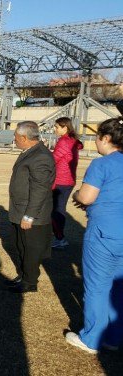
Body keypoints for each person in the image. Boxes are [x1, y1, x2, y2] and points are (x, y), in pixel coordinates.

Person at [65, 117, 123, 354]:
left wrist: (79, 195)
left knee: (98, 286)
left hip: (104, 233)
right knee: (118, 287)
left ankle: (92, 338)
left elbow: (87, 196)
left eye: (98, 136)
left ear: (106, 138)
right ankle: (114, 336)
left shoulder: (102, 164)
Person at [6, 121, 56, 293]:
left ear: (24, 137)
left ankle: (29, 282)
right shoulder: (30, 152)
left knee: (31, 249)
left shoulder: (40, 156)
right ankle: (24, 276)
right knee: (20, 246)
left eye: (16, 137)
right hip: (20, 210)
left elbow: (40, 189)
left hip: (31, 214)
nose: (14, 139)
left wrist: (30, 216)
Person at [51, 117, 83, 248]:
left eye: (57, 126)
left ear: (65, 128)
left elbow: (53, 159)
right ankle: (58, 236)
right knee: (58, 208)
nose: (55, 129)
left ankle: (60, 238)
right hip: (68, 180)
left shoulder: (64, 141)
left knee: (55, 210)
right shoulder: (72, 141)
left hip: (61, 180)